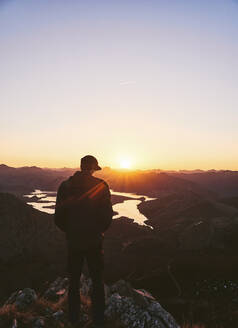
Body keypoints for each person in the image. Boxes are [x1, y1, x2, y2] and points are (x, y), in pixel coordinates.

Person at [54, 155, 113, 328]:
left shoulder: (65, 186)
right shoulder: (101, 186)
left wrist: (71, 231)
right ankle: (99, 320)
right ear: (93, 168)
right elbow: (107, 217)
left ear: (81, 167)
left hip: (74, 242)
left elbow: (58, 218)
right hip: (94, 241)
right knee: (97, 279)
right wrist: (97, 231)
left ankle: (73, 319)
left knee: (73, 281)